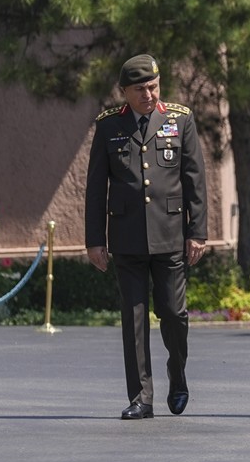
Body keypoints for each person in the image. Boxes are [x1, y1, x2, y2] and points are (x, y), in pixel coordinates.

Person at [85, 54, 208, 420]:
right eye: (140, 89)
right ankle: (141, 396)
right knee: (134, 317)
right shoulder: (109, 125)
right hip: (127, 237)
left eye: (153, 87)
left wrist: (197, 232)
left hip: (170, 235)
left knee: (174, 314)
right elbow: (96, 188)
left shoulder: (180, 120)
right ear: (124, 91)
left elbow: (195, 180)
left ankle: (177, 372)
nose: (149, 95)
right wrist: (95, 240)